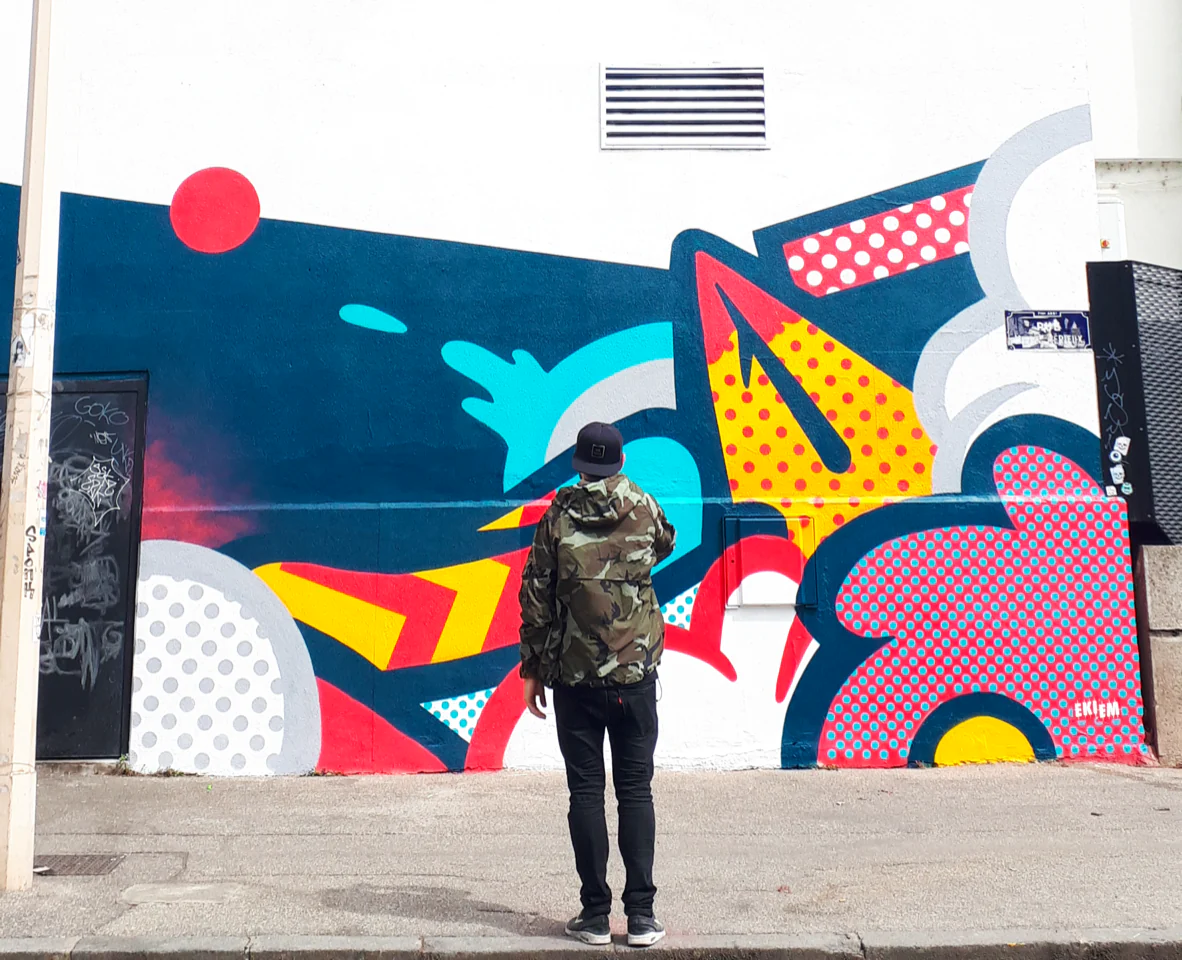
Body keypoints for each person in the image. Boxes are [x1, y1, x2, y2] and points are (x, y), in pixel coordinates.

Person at [518, 421, 676, 948]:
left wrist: (532, 668)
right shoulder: (643, 506)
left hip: (575, 678)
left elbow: (535, 596)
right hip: (634, 676)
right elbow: (666, 543)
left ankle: (594, 915)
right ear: (620, 461)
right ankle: (642, 917)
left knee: (585, 792)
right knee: (635, 790)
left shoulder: (557, 516)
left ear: (579, 464)